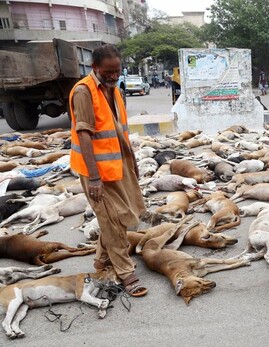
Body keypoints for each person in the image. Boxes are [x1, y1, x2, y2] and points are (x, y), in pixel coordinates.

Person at [69, 44, 148, 297]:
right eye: (108, 72)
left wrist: (132, 162)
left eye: (117, 71)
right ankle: (125, 271)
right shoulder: (84, 91)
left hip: (117, 164)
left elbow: (118, 130)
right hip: (96, 170)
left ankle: (101, 260)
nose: (114, 76)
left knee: (124, 214)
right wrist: (93, 177)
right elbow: (84, 134)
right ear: (95, 68)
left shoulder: (113, 90)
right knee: (112, 219)